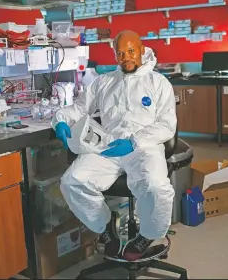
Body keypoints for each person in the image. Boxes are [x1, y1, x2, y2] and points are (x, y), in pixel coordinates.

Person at [52, 30, 177, 262]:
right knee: (72, 181)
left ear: (141, 49)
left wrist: (134, 142)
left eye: (130, 51)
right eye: (120, 53)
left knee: (156, 187)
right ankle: (105, 225)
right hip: (108, 146)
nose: (125, 57)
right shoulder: (104, 82)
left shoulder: (159, 83)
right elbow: (79, 108)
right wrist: (60, 120)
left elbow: (166, 125)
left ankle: (147, 235)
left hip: (144, 148)